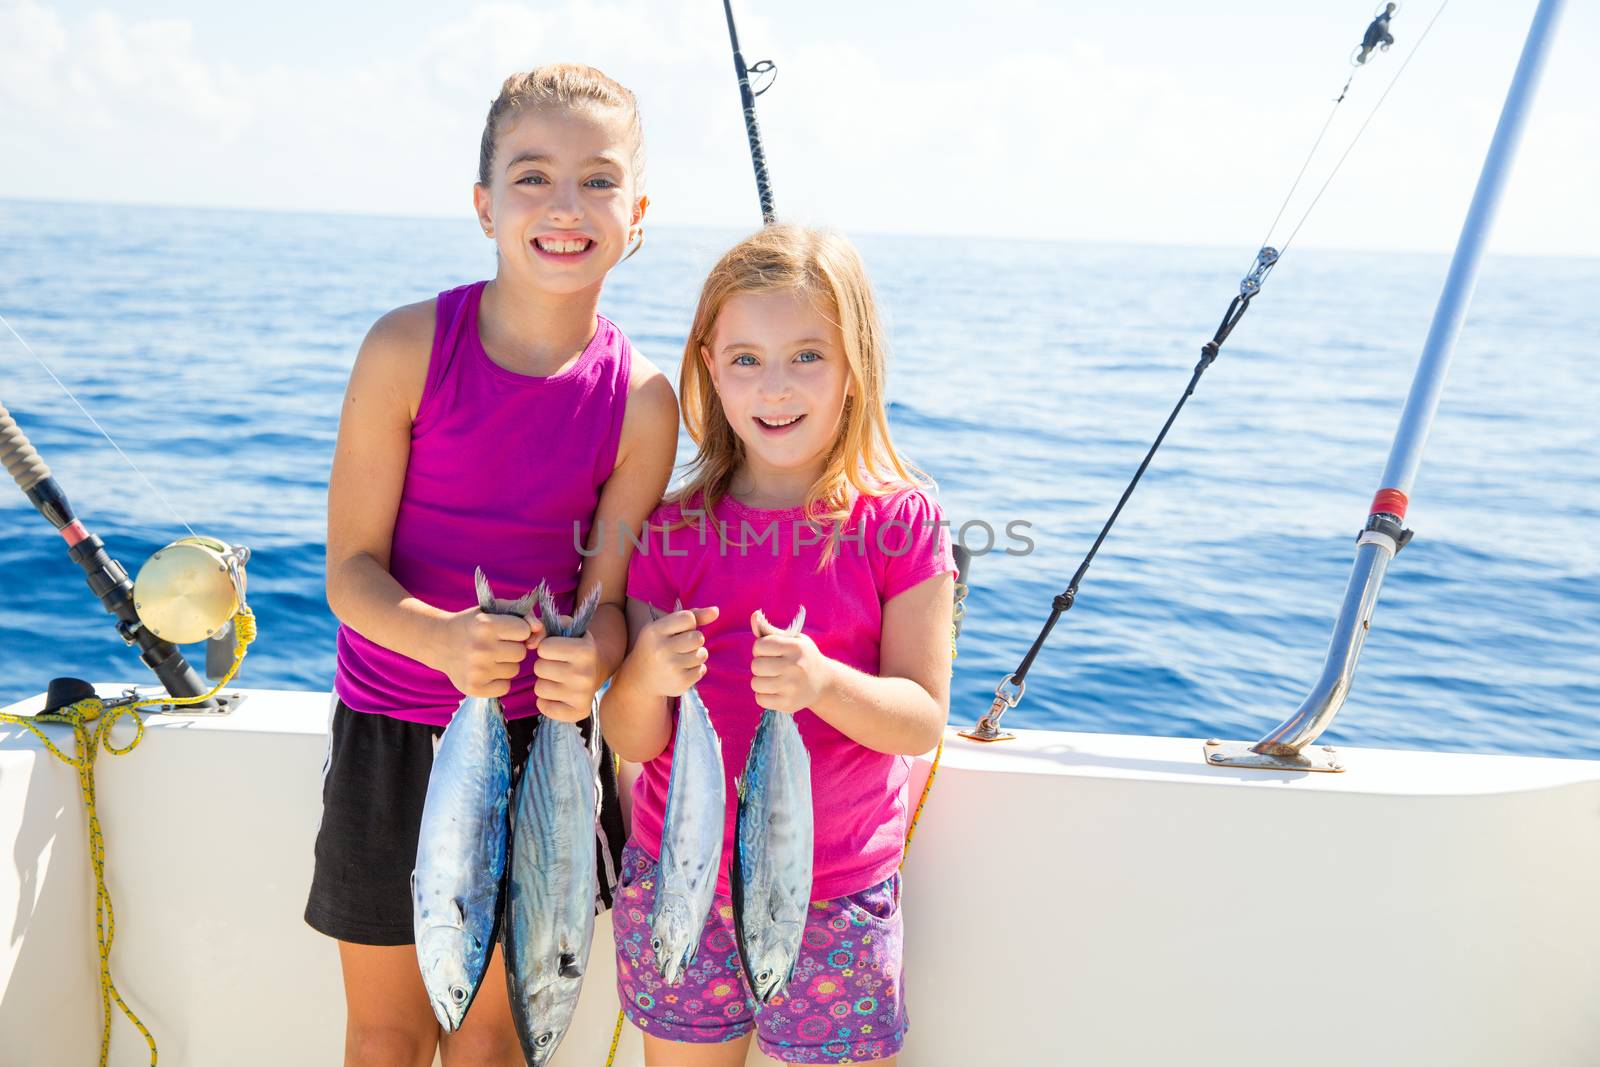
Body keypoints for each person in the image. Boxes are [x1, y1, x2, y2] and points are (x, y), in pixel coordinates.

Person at [306, 64, 678, 1067]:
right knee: (387, 1032)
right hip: (390, 740)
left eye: (598, 181)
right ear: (483, 206)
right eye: (531, 177)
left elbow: (611, 602)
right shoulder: (405, 347)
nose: (565, 207)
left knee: (498, 1036)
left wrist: (592, 656)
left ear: (637, 214)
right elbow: (350, 569)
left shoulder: (643, 400)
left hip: (541, 749)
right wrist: (436, 637)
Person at [600, 225, 956, 1066]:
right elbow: (630, 736)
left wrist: (825, 683)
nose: (776, 385)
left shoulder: (901, 523)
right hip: (679, 881)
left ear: (853, 367)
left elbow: (920, 719)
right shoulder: (671, 530)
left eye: (807, 355)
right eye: (747, 359)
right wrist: (645, 674)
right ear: (710, 368)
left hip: (832, 896)